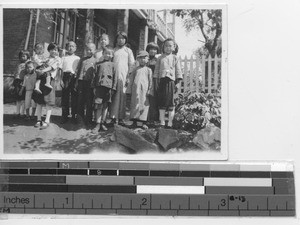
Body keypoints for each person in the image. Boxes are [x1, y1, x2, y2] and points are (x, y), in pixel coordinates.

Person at [154, 38, 183, 128]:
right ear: (163, 47)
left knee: (171, 102)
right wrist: (155, 80)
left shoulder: (175, 58)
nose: (168, 48)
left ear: (174, 47)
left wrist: (178, 83)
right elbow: (157, 70)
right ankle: (162, 121)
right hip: (161, 81)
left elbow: (178, 71)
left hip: (171, 82)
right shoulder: (160, 58)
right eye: (166, 46)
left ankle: (170, 122)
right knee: (161, 101)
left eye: (170, 46)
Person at [33, 42, 62, 129]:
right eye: (52, 49)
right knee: (39, 100)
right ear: (49, 50)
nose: (54, 51)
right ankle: (38, 119)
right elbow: (38, 64)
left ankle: (47, 120)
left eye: (56, 50)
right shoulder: (46, 58)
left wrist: (43, 70)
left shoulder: (58, 59)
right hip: (41, 79)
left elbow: (52, 67)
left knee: (48, 100)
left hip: (50, 81)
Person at [109, 31, 135, 126]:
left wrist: (129, 76)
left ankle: (120, 118)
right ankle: (112, 117)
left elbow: (131, 64)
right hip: (113, 76)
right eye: (119, 38)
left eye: (123, 38)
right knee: (113, 96)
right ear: (116, 39)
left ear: (125, 40)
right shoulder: (113, 50)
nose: (121, 40)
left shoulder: (128, 51)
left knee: (122, 97)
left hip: (124, 76)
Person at [92, 46, 116, 133]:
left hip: (108, 88)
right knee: (98, 106)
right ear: (103, 54)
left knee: (105, 106)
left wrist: (113, 88)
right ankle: (97, 124)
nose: (108, 55)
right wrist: (94, 87)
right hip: (99, 87)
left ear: (112, 55)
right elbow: (94, 76)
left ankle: (103, 122)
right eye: (106, 53)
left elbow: (115, 77)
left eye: (110, 54)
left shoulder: (114, 65)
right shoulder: (98, 64)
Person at [127, 50, 153, 129]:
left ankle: (143, 122)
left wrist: (150, 90)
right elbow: (131, 80)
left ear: (147, 59)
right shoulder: (135, 69)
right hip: (135, 90)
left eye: (144, 58)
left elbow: (151, 81)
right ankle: (134, 121)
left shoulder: (149, 70)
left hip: (145, 91)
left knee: (144, 105)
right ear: (138, 59)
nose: (142, 60)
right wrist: (129, 90)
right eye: (140, 58)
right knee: (135, 104)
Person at [75, 42, 97, 126]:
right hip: (81, 82)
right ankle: (80, 118)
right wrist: (77, 81)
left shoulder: (95, 61)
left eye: (91, 50)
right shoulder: (82, 59)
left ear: (94, 51)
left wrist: (94, 84)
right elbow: (78, 70)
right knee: (80, 100)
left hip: (90, 83)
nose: (89, 51)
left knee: (89, 101)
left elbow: (95, 73)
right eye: (87, 49)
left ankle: (88, 119)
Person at [60, 41, 80, 124]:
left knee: (74, 97)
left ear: (75, 48)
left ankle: (74, 115)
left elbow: (79, 69)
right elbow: (61, 69)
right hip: (65, 76)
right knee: (65, 97)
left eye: (72, 46)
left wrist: (77, 79)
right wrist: (61, 79)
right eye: (69, 46)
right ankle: (65, 115)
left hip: (74, 77)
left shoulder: (78, 58)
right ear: (66, 48)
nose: (70, 48)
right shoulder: (63, 58)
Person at [12, 50, 30, 118]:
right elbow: (16, 73)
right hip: (17, 81)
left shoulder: (27, 64)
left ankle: (22, 112)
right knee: (18, 98)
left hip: (24, 82)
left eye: (24, 56)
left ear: (27, 56)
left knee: (23, 98)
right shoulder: (19, 64)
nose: (22, 57)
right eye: (21, 56)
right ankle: (17, 112)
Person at [146, 42, 160, 126]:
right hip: (146, 80)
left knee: (154, 99)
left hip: (155, 81)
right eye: (151, 49)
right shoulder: (145, 59)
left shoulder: (157, 60)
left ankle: (154, 119)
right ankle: (146, 118)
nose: (152, 51)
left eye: (155, 49)